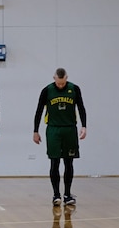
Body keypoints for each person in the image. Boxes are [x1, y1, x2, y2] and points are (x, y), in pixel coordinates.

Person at [33, 68, 88, 207]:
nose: (61, 86)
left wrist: (84, 126)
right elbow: (39, 110)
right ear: (54, 78)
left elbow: (81, 107)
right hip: (53, 129)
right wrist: (35, 130)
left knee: (69, 162)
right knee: (54, 162)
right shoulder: (47, 90)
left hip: (70, 129)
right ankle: (56, 194)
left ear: (66, 78)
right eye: (59, 83)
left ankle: (67, 194)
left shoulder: (74, 89)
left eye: (63, 83)